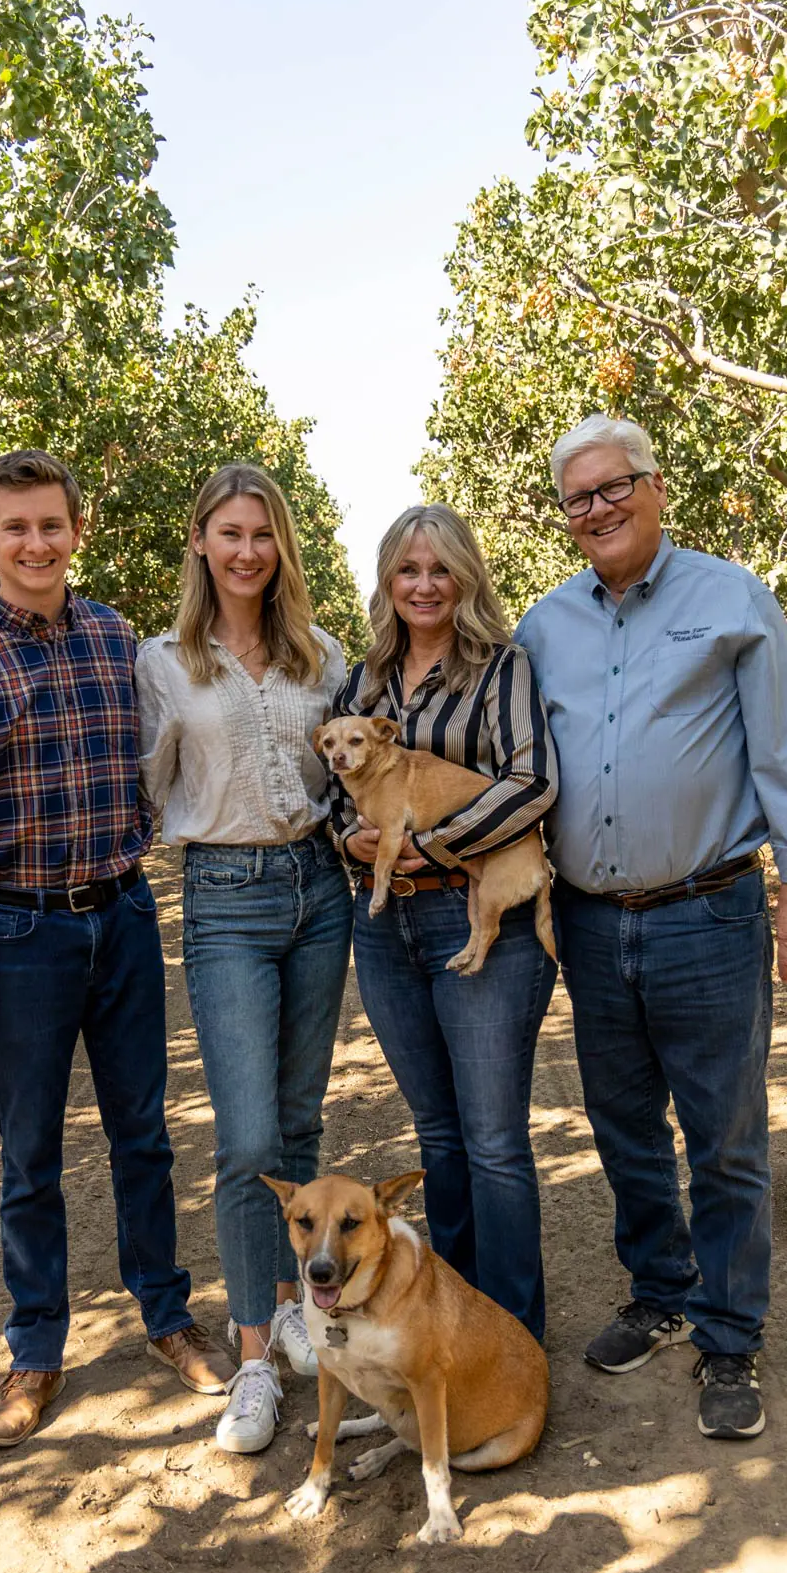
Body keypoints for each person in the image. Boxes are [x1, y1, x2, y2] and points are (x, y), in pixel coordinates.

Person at [0, 449, 230, 1449]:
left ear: (78, 532)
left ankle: (168, 1317)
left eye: (52, 525)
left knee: (145, 1137)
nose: (36, 543)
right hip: (17, 933)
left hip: (120, 918)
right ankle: (35, 1350)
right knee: (29, 1154)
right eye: (16, 527)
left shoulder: (119, 641)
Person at [516, 413, 787, 1440]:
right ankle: (660, 1289)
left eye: (615, 488)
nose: (598, 509)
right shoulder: (544, 625)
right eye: (579, 498)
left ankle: (730, 1335)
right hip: (593, 924)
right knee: (622, 1128)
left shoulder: (730, 599)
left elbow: (785, 748)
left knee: (728, 1138)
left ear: (656, 488)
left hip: (710, 912)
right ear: (564, 516)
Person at [136, 464, 353, 1455]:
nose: (246, 551)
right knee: (247, 1138)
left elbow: (348, 783)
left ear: (282, 549)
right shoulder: (162, 663)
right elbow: (144, 790)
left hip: (318, 892)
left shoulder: (324, 657)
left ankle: (301, 1309)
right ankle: (256, 1358)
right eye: (228, 533)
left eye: (262, 535)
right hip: (223, 895)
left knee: (300, 1121)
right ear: (199, 542)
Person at [332, 503, 558, 1342]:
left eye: (439, 569)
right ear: (387, 582)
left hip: (469, 910)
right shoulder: (362, 684)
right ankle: (449, 1322)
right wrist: (351, 840)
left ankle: (512, 1336)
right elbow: (335, 798)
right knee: (438, 1137)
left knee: (494, 1140)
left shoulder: (502, 670)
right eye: (407, 570)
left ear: (464, 577)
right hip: (387, 931)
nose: (423, 585)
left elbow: (533, 782)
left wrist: (430, 845)